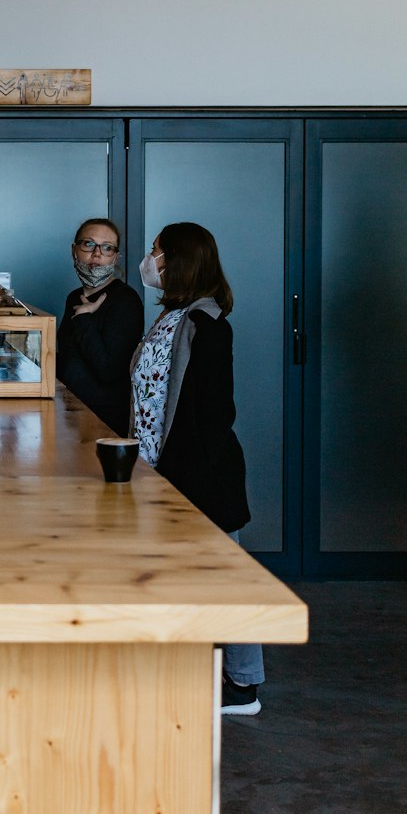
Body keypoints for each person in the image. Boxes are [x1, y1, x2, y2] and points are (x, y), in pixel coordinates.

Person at [130, 221, 264, 716]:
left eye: (157, 252)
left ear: (178, 261)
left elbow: (213, 413)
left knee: (228, 581)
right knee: (182, 579)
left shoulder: (208, 325)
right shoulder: (172, 317)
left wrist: (181, 482)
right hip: (162, 474)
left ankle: (244, 688)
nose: (150, 261)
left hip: (199, 479)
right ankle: (179, 670)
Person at [56, 217, 144, 435]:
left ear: (116, 257)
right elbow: (70, 360)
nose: (97, 254)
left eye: (107, 248)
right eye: (88, 244)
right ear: (73, 250)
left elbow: (109, 371)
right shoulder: (73, 298)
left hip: (105, 423)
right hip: (71, 414)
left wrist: (84, 319)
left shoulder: (125, 300)